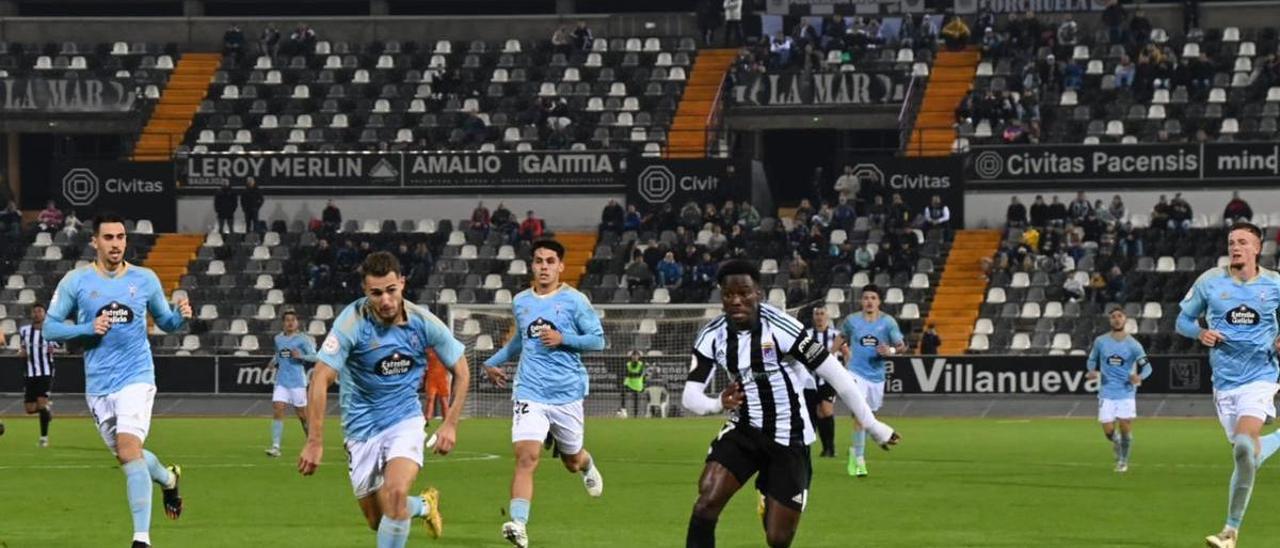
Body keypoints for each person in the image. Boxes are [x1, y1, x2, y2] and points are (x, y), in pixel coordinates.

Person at [682, 260, 899, 548]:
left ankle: (767, 493)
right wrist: (716, 403)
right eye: (728, 294)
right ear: (721, 296)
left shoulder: (784, 328)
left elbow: (837, 375)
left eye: (744, 293)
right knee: (706, 501)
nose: (736, 301)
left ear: (757, 293)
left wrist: (871, 424)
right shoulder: (713, 335)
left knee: (778, 538)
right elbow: (690, 397)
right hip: (745, 429)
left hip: (790, 436)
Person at [298, 251, 471, 547]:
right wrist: (314, 440)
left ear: (402, 283)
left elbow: (462, 370)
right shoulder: (352, 322)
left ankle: (409, 504)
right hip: (360, 429)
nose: (386, 300)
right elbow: (320, 377)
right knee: (379, 520)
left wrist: (451, 423)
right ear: (366, 291)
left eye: (391, 290)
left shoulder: (423, 322)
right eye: (376, 293)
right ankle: (426, 505)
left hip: (405, 421)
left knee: (395, 494)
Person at [43, 213, 193, 548]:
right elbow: (49, 329)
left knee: (128, 449)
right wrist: (85, 328)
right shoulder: (76, 281)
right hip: (98, 385)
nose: (116, 244)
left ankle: (141, 539)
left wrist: (180, 318)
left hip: (136, 376)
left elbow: (165, 322)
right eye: (108, 237)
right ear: (94, 242)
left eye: (121, 237)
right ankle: (168, 479)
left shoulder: (145, 279)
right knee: (129, 456)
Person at [482, 240, 606, 548]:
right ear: (532, 266)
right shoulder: (521, 301)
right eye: (538, 261)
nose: (544, 266)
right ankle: (518, 524)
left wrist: (564, 338)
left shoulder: (576, 301)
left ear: (561, 266)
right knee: (527, 456)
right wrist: (491, 363)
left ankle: (587, 464)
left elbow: (597, 341)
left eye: (550, 261)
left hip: (566, 393)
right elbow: (519, 343)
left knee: (571, 461)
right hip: (529, 391)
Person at [1176, 222, 1280, 548]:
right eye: (1232, 241)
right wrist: (1200, 333)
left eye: (1243, 242)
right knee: (1246, 454)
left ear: (1257, 248)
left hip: (1260, 378)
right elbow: (1182, 321)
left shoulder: (1275, 284)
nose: (1235, 247)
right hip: (1223, 384)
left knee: (1246, 446)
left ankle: (1230, 532)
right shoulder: (1210, 281)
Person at [836, 284, 907, 478]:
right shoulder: (852, 321)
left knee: (869, 416)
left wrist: (890, 350)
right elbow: (841, 338)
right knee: (860, 416)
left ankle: (861, 445)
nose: (869, 301)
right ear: (861, 300)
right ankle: (859, 460)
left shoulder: (888, 322)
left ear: (879, 301)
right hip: (855, 373)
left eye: (873, 298)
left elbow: (901, 346)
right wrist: (827, 357)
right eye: (866, 297)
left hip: (877, 376)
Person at [1086, 307, 1151, 473]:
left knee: (1125, 426)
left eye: (1119, 316)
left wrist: (1140, 377)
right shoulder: (1101, 341)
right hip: (1107, 391)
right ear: (1110, 320)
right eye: (1113, 317)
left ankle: (1123, 461)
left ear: (1125, 320)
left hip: (1126, 392)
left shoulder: (1133, 345)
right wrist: (1092, 370)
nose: (1116, 319)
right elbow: (1092, 359)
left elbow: (1147, 367)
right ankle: (1115, 442)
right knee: (1108, 430)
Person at [264, 308, 316, 458]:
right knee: (278, 409)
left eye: (293, 320)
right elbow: (280, 354)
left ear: (297, 323)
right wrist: (273, 362)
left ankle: (312, 443)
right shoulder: (278, 339)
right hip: (281, 381)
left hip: (298, 382)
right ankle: (275, 447)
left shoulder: (303, 339)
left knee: (302, 416)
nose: (290, 323)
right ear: (283, 323)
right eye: (287, 320)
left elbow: (315, 357)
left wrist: (301, 356)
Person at [19, 303, 60, 447]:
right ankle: (46, 409)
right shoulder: (24, 331)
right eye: (34, 311)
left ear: (44, 314)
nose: (37, 314)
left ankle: (44, 439)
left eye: (40, 311)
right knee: (29, 409)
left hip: (46, 372)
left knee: (41, 403)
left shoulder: (51, 332)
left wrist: (53, 349)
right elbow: (23, 348)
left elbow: (57, 346)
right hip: (30, 373)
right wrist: (22, 353)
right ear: (31, 314)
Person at [806, 306, 841, 458]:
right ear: (814, 317)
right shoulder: (807, 335)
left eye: (822, 314)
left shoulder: (836, 335)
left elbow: (846, 353)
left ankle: (831, 447)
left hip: (829, 379)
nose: (819, 317)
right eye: (817, 314)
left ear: (827, 316)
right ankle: (825, 448)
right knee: (818, 413)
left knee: (826, 410)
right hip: (811, 380)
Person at [423, 349, 451, 424]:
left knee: (444, 401)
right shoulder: (428, 351)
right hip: (431, 379)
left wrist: (448, 379)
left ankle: (446, 420)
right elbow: (424, 365)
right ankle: (427, 419)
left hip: (442, 379)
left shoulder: (444, 352)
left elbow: (449, 367)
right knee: (430, 399)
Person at [620, 350, 647, 418]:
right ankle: (623, 409)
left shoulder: (641, 364)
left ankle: (635, 414)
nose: (635, 357)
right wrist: (632, 375)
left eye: (636, 355)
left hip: (637, 383)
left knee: (636, 398)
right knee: (622, 391)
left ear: (638, 357)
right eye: (633, 355)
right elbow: (626, 373)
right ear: (631, 356)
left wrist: (631, 374)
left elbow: (639, 374)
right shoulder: (628, 364)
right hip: (629, 383)